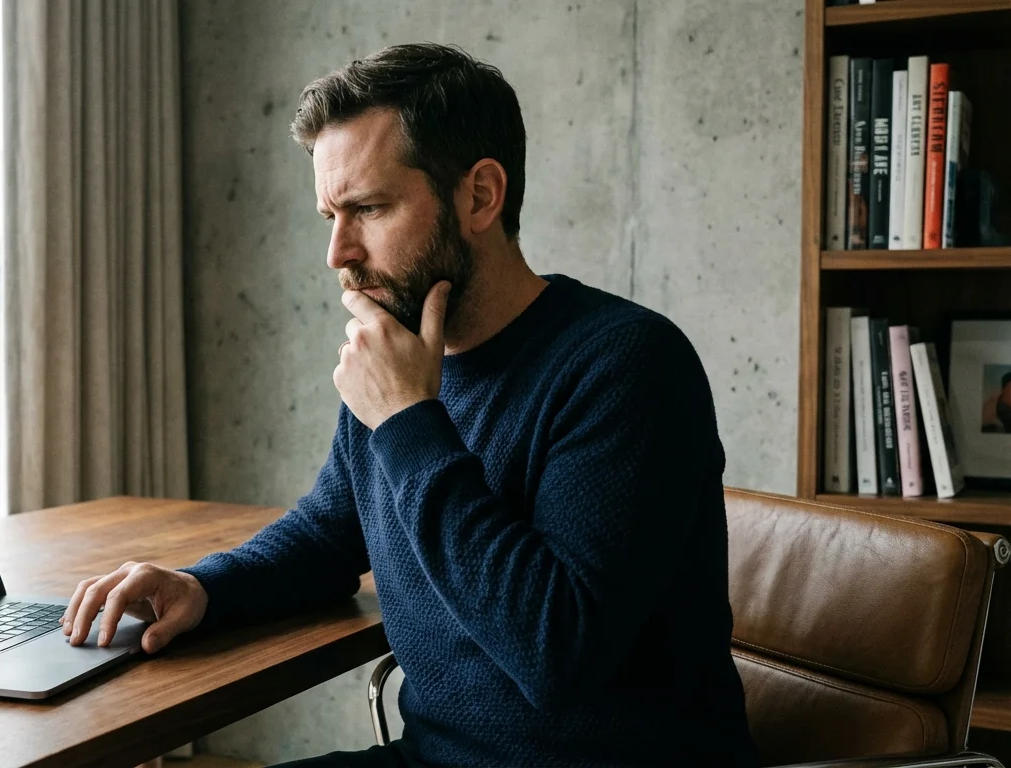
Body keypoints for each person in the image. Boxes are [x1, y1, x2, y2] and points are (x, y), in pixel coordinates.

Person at [61, 42, 758, 767]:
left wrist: (406, 420)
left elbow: (557, 654)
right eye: (330, 214)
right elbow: (330, 536)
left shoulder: (627, 364)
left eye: (367, 209)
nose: (337, 251)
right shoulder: (398, 359)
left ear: (480, 195)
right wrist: (202, 586)